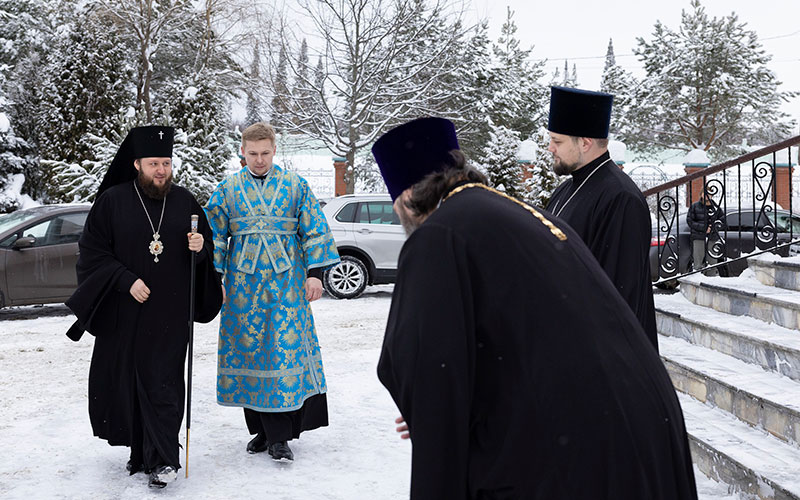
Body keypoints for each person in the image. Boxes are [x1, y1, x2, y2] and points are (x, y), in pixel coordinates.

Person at [372, 117, 698, 499]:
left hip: (581, 448)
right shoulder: (511, 213)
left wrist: (436, 410)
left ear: (410, 195)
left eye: (396, 205)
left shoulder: (440, 235)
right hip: (640, 427)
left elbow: (423, 362)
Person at [65, 126, 223, 489]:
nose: (161, 170)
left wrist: (201, 248)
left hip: (170, 315)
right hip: (125, 314)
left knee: (165, 385)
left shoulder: (185, 202)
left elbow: (207, 249)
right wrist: (125, 280)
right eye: (154, 163)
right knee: (130, 385)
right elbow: (92, 254)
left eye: (166, 163)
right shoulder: (112, 201)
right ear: (136, 163)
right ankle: (141, 452)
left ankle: (164, 458)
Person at [204, 122, 339, 462]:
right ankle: (262, 431)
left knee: (282, 354)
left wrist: (315, 274)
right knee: (250, 354)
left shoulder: (296, 186)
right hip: (242, 289)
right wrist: (215, 278)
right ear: (242, 151)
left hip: (286, 286)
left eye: (265, 153)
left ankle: (280, 437)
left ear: (274, 150)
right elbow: (215, 237)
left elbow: (314, 230)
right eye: (253, 154)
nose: (259, 160)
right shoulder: (227, 190)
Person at [545, 86, 658, 351]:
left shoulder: (621, 198)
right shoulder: (565, 190)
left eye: (557, 141)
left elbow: (618, 297)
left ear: (584, 142)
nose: (550, 148)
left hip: (602, 357)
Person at [687, 192, 726, 275]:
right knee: (698, 262)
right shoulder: (695, 206)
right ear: (701, 194)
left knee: (712, 263)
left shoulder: (715, 207)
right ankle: (697, 280)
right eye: (704, 193)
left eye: (709, 194)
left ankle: (710, 281)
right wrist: (704, 228)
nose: (707, 196)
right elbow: (690, 221)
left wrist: (713, 228)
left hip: (712, 237)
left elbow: (723, 222)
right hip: (698, 237)